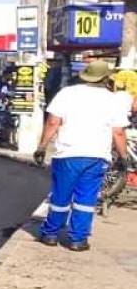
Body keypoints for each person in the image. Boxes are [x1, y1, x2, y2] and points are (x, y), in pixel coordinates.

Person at [33, 60, 133, 252]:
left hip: (67, 154)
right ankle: (78, 239)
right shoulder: (112, 100)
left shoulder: (67, 94)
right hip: (96, 156)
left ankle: (51, 234)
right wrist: (123, 157)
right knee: (86, 198)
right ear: (106, 78)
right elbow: (118, 132)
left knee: (61, 195)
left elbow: (53, 122)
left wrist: (42, 147)